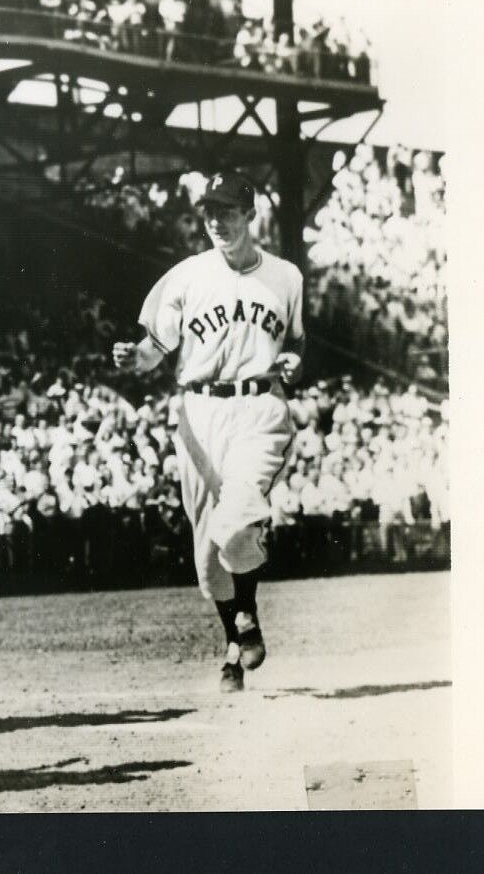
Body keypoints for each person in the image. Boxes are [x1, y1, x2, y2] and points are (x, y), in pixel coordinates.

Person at [112, 170, 303, 693]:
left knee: (236, 523)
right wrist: (135, 358)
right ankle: (236, 635)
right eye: (210, 211)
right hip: (198, 413)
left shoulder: (285, 277)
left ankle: (244, 614)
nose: (217, 220)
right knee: (205, 561)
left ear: (251, 214)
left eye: (228, 210)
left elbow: (298, 347)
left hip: (259, 407)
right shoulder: (186, 276)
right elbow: (155, 349)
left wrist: (292, 361)